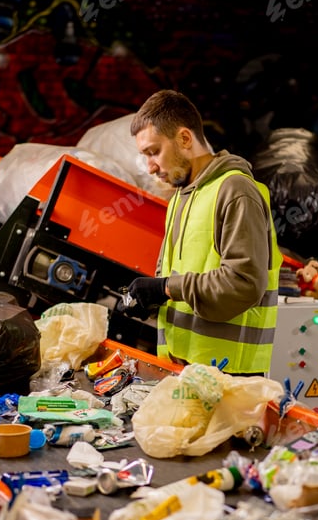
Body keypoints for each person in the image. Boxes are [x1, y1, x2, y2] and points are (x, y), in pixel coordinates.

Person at [119, 89, 282, 375]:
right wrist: (154, 300)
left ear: (184, 139)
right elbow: (178, 282)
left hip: (227, 378)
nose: (150, 166)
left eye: (154, 151)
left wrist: (166, 287)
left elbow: (243, 283)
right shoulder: (180, 199)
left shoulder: (236, 190)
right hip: (184, 371)